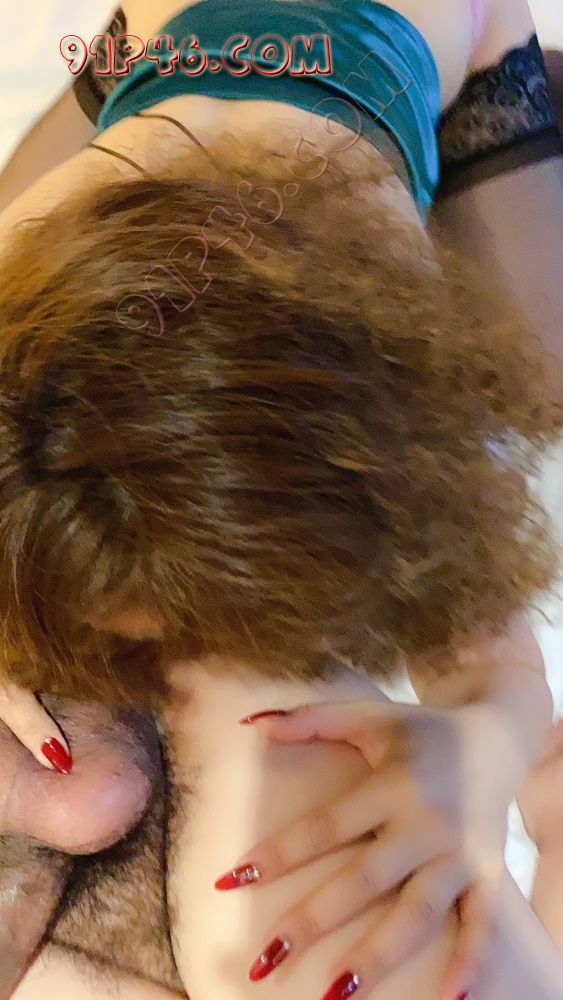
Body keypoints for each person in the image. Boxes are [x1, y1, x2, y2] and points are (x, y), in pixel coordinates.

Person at [0, 1, 562, 998]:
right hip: (173, 90)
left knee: (541, 387)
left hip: (402, 79)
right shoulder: (20, 281)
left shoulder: (385, 336)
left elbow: (490, 651)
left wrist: (484, 744)